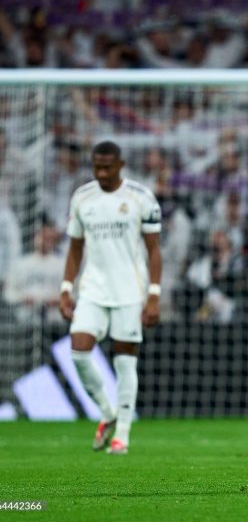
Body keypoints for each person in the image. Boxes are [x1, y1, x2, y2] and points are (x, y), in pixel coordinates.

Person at [59, 141, 162, 455]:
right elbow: (75, 248)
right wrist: (66, 287)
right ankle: (107, 410)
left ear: (121, 164)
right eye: (96, 166)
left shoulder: (141, 198)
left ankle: (123, 436)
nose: (101, 172)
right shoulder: (82, 197)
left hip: (130, 291)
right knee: (78, 352)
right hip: (92, 289)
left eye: (107, 166)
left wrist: (154, 295)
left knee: (124, 361)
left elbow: (154, 250)